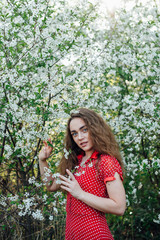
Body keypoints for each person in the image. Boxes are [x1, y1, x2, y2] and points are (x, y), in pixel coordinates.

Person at [39, 108, 126, 240]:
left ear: (95, 129)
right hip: (72, 234)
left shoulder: (106, 161)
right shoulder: (75, 161)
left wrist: (80, 194)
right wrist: (42, 160)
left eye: (84, 130)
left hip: (94, 233)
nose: (80, 137)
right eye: (74, 133)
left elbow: (119, 207)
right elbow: (51, 185)